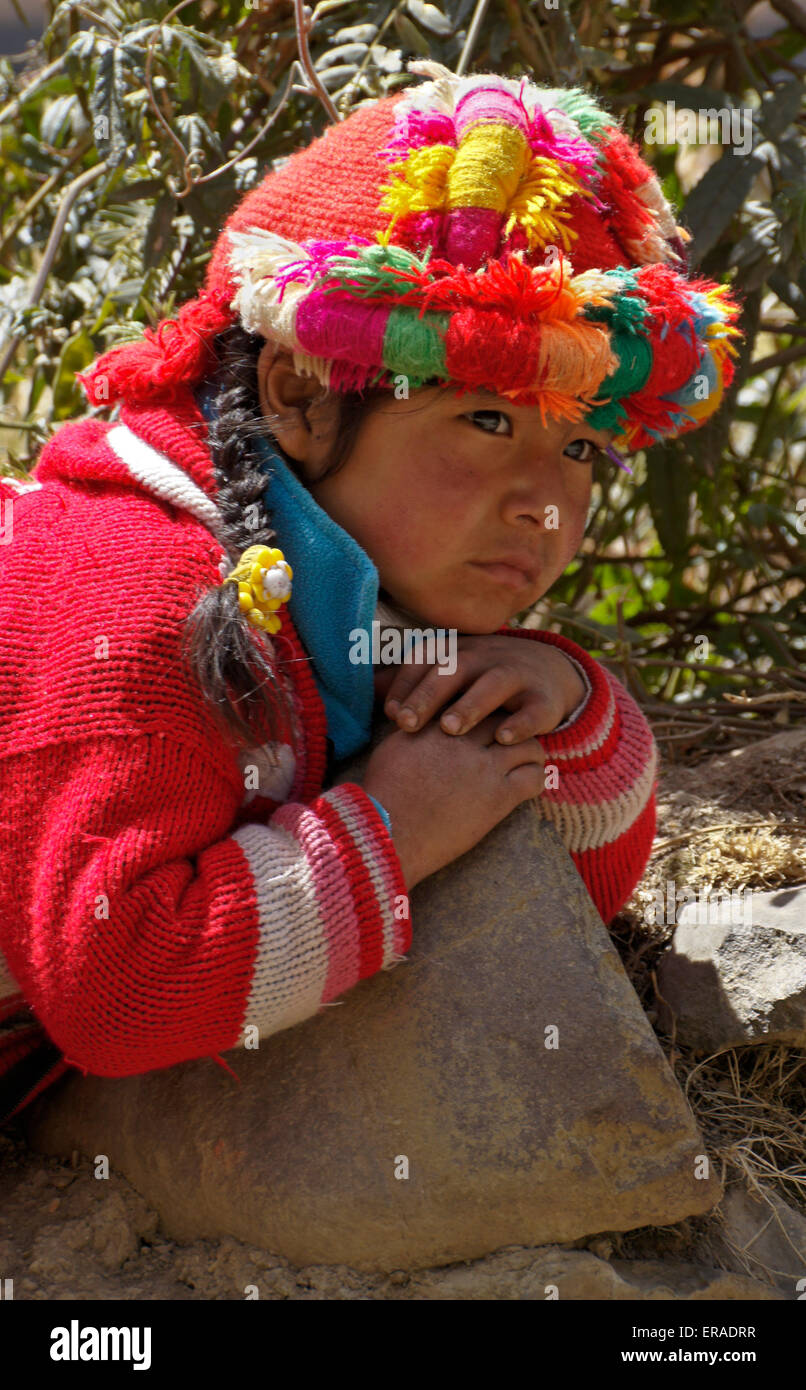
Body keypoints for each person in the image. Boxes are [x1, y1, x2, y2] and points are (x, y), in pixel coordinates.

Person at [0, 59, 743, 1126]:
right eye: (486, 422)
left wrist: (565, 707)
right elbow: (118, 990)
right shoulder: (132, 593)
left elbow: (566, 889)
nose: (544, 503)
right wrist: (390, 829)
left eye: (578, 443)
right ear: (298, 395)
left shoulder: (358, 605)